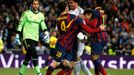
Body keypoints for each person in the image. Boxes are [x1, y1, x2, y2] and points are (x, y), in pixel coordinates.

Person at [45, 1, 106, 75]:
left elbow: (60, 32)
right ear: (66, 7)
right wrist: (99, 28)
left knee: (69, 65)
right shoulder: (73, 17)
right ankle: (49, 70)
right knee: (56, 63)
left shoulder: (59, 19)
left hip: (69, 44)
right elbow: (89, 29)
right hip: (64, 44)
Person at [16, 0, 49, 75]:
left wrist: (46, 32)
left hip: (35, 38)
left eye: (37, 4)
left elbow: (42, 24)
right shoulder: (26, 13)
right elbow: (21, 24)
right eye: (34, 4)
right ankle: (38, 73)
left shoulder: (41, 15)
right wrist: (17, 35)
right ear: (32, 5)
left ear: (38, 5)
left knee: (28, 56)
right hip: (27, 37)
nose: (35, 5)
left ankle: (21, 73)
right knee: (34, 53)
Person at [85, 7, 108, 75]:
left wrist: (86, 21)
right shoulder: (101, 14)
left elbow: (94, 25)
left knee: (94, 58)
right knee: (96, 58)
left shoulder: (95, 13)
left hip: (98, 37)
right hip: (104, 36)